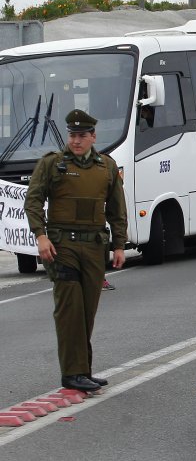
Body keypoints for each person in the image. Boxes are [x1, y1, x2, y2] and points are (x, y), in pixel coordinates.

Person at [24, 109, 127, 392]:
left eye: (82, 135)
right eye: (72, 135)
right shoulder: (52, 164)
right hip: (62, 246)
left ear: (93, 137)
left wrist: (119, 244)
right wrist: (41, 236)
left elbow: (117, 208)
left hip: (94, 247)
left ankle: (83, 370)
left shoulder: (106, 166)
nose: (76, 140)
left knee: (87, 311)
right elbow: (33, 201)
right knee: (70, 309)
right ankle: (72, 374)